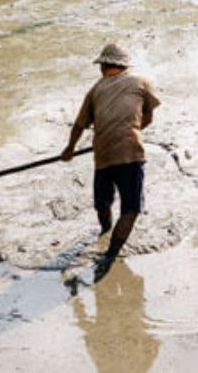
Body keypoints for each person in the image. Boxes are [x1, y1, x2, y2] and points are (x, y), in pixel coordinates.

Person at [62, 42, 161, 262]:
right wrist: (132, 131)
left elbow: (79, 125)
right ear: (124, 66)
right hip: (130, 152)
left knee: (103, 203)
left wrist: (69, 149)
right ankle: (110, 256)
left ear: (103, 66)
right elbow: (148, 117)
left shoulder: (95, 90)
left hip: (103, 154)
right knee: (131, 209)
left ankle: (104, 230)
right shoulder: (141, 82)